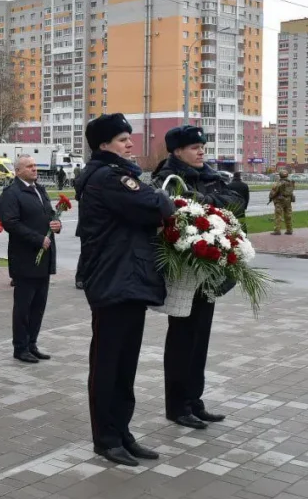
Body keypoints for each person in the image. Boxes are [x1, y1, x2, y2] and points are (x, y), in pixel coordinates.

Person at [77, 113, 173, 467]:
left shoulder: (120, 175)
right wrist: (160, 200)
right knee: (107, 364)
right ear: (104, 146)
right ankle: (105, 438)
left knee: (125, 365)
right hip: (112, 282)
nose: (130, 144)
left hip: (129, 280)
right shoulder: (108, 178)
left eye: (128, 137)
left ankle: (122, 432)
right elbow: (155, 205)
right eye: (122, 139)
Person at [153, 125, 243, 430]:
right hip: (184, 274)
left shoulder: (212, 176)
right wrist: (209, 207)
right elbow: (175, 216)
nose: (201, 151)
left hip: (209, 271)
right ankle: (177, 406)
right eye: (194, 147)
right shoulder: (167, 180)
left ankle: (194, 401)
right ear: (178, 151)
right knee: (182, 340)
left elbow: (233, 206)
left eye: (202, 146)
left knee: (200, 339)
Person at [1, 155, 60, 364]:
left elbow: (50, 214)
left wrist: (56, 223)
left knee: (39, 305)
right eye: (30, 166)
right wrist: (37, 239)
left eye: (35, 165)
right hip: (25, 259)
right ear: (18, 171)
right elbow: (10, 222)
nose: (35, 169)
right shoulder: (12, 193)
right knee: (23, 307)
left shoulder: (40, 189)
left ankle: (32, 343)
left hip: (43, 258)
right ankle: (20, 347)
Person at [270, 168, 295, 235]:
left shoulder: (278, 183)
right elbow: (291, 191)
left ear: (280, 175)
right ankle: (289, 230)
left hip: (280, 201)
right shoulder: (291, 182)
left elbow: (273, 192)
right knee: (288, 215)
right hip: (288, 201)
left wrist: (271, 197)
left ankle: (277, 230)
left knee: (278, 216)